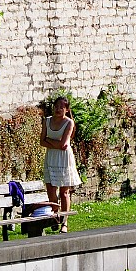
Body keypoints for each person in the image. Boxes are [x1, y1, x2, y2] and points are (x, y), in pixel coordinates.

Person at [41, 95, 81, 232]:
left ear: (66, 109)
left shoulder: (69, 123)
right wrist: (55, 144)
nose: (58, 109)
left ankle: (64, 222)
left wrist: (50, 141)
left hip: (64, 159)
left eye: (61, 107)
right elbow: (41, 141)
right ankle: (55, 216)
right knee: (51, 189)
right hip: (51, 157)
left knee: (64, 192)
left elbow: (64, 145)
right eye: (56, 107)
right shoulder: (47, 121)